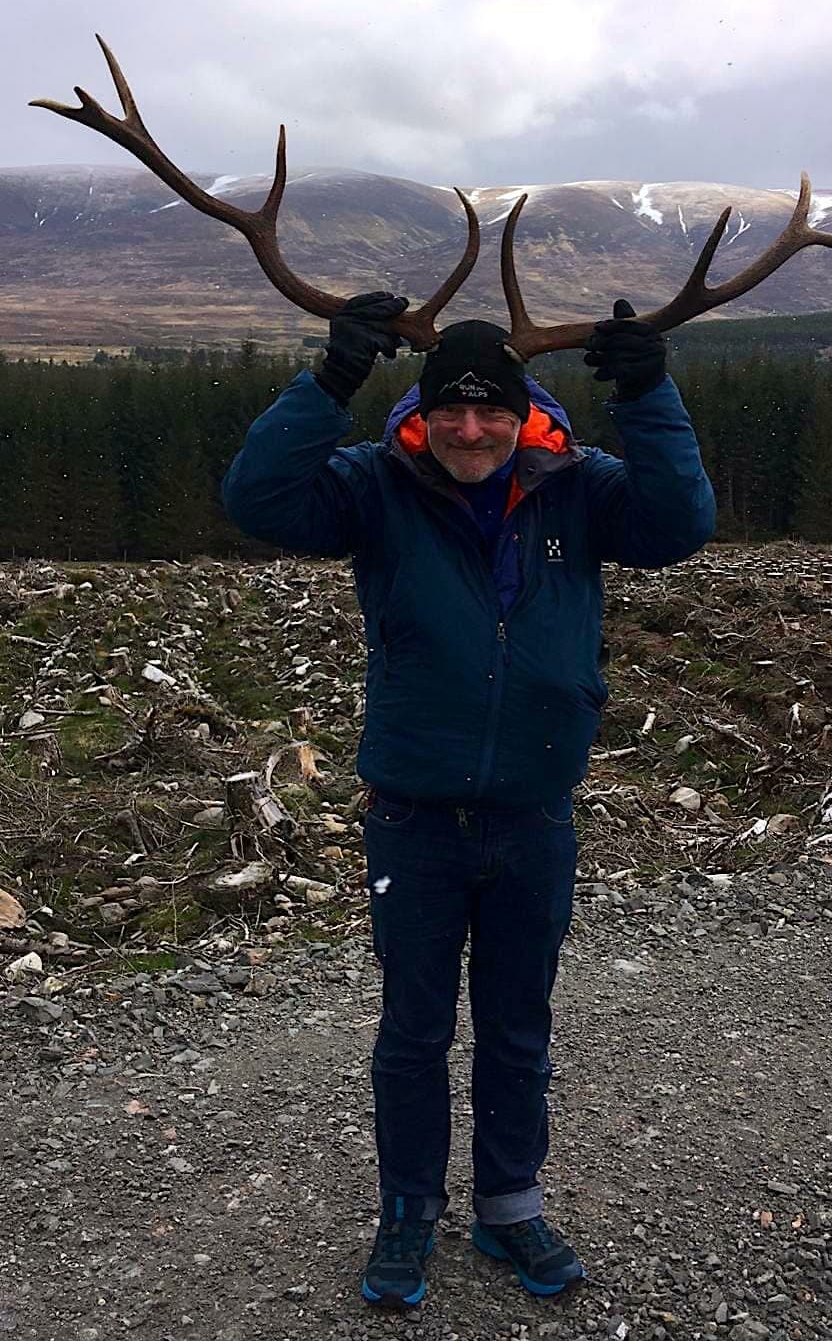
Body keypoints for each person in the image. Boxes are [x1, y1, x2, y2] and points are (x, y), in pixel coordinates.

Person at [221, 293, 716, 1310]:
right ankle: (408, 1207)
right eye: (451, 410)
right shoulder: (372, 483)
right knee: (412, 1029)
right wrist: (326, 384)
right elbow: (256, 500)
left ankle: (508, 1203)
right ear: (424, 410)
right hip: (413, 815)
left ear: (526, 412)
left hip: (533, 815)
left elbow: (681, 525)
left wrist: (649, 393)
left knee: (516, 1024)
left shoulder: (581, 489)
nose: (471, 429)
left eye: (492, 411)